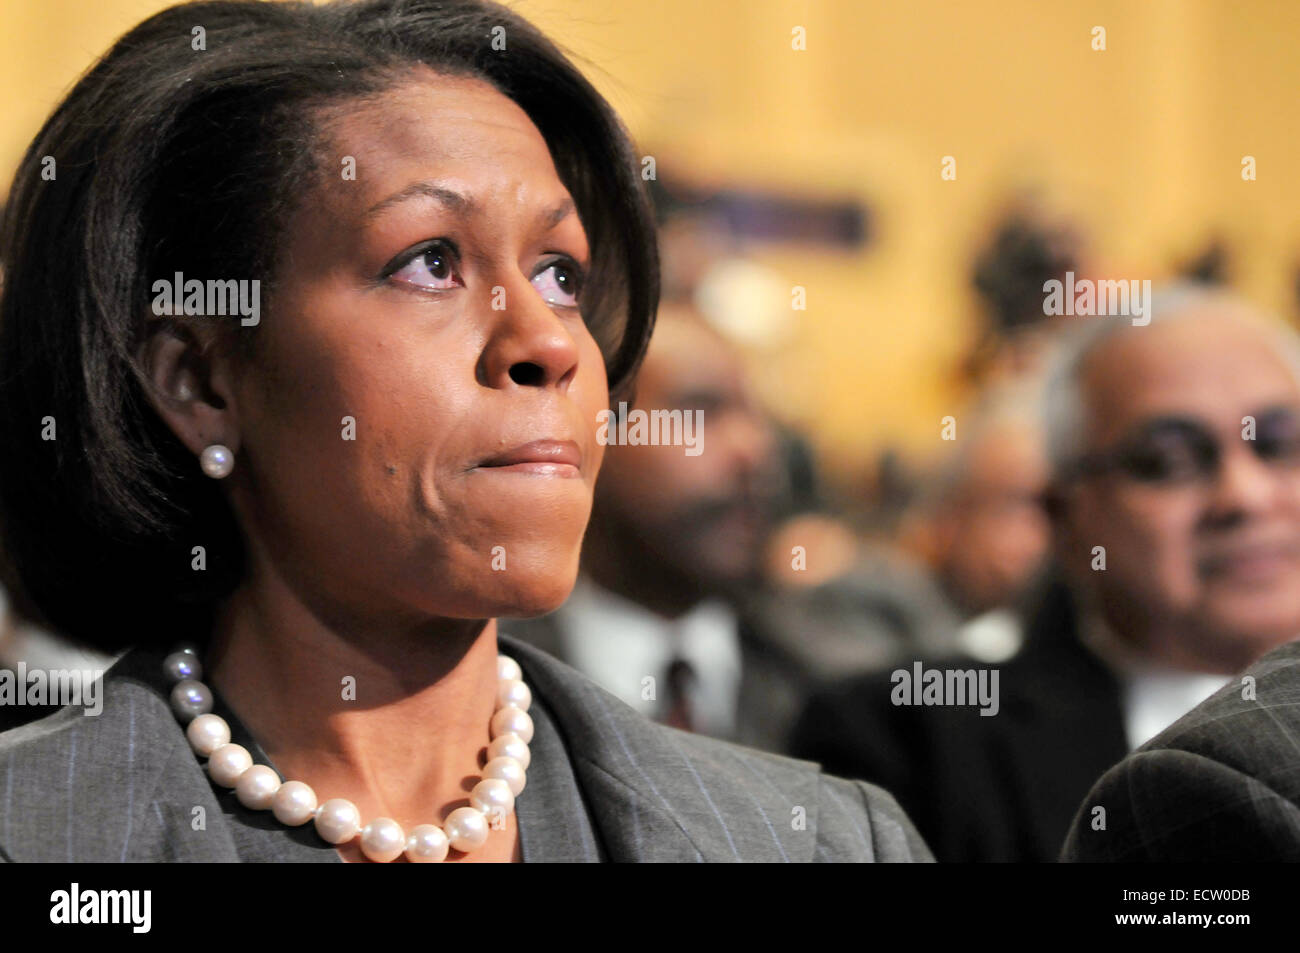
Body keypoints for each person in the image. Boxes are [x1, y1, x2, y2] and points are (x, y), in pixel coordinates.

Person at [0, 0, 930, 863]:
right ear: (200, 381)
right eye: (430, 262)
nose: (546, 341)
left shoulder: (823, 842)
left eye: (561, 272)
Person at [794, 284, 1300, 861]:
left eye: (1281, 444)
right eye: (1167, 460)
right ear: (1065, 516)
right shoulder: (910, 742)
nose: (1245, 495)